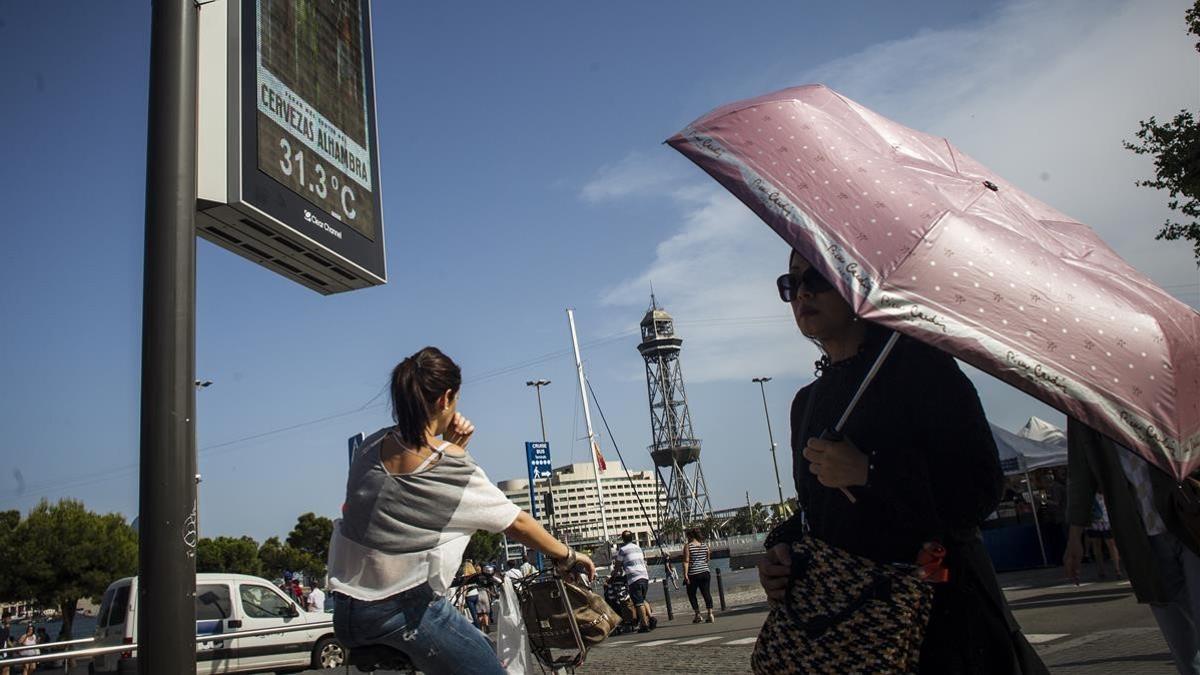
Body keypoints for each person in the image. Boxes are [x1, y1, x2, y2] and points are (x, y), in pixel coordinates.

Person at [757, 249, 1046, 674]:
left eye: (816, 277)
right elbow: (818, 511)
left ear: (856, 283)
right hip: (850, 636)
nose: (802, 293)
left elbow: (980, 488)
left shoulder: (922, 369)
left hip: (939, 624)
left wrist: (869, 471)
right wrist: (779, 551)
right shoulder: (807, 403)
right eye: (791, 282)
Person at [328, 347, 594, 675]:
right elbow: (517, 523)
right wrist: (568, 555)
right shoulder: (451, 465)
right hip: (403, 610)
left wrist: (449, 447)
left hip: (347, 611)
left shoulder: (369, 447)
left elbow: (410, 499)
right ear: (446, 398)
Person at [1063, 418, 1200, 674]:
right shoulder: (1082, 401)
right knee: (1183, 647)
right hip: (1139, 535)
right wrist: (1074, 536)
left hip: (1189, 518)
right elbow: (1080, 470)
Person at [615, 530, 655, 633]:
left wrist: (614, 575)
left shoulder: (622, 550)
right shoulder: (638, 548)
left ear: (623, 539)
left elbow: (617, 565)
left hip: (634, 578)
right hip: (644, 576)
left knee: (638, 603)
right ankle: (651, 618)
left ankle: (644, 625)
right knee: (642, 599)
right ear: (632, 538)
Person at [1084, 494, 1122, 580]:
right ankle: (1101, 570)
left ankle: (1117, 569)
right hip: (1093, 517)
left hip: (1105, 517)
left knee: (1110, 543)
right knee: (1097, 544)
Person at [683, 528, 714, 623]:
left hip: (693, 573)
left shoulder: (688, 546)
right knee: (706, 593)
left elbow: (686, 561)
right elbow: (708, 558)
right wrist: (703, 564)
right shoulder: (704, 545)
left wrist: (685, 574)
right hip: (705, 572)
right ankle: (710, 614)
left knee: (691, 594)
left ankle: (698, 615)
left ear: (690, 536)